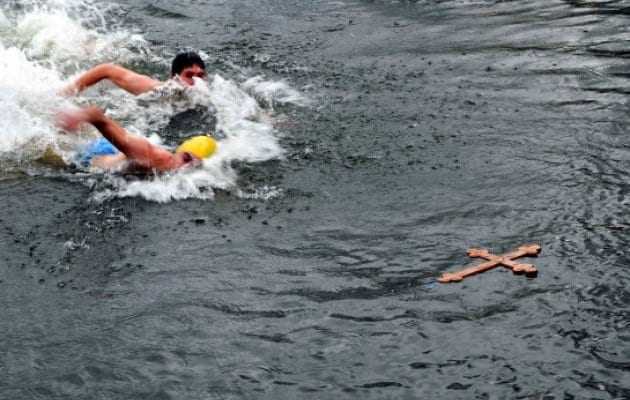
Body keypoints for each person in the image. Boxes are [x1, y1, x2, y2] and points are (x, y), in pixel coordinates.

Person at [56, 106, 216, 173]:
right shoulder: (155, 157)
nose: (187, 166)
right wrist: (80, 117)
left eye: (195, 165)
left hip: (116, 152)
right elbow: (98, 116)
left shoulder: (173, 169)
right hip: (92, 157)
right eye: (186, 158)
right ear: (182, 153)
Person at [63, 51, 207, 96]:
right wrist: (70, 91)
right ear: (174, 77)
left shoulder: (212, 95)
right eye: (189, 75)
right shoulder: (156, 89)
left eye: (200, 76)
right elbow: (107, 69)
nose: (196, 82)